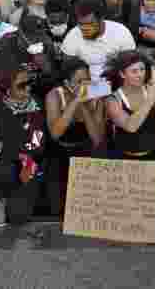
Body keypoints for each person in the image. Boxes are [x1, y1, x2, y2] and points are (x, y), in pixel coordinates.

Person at [0, 66, 47, 228]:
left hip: (32, 160)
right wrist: (20, 154)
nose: (28, 87)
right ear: (7, 88)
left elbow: (39, 141)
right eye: (21, 85)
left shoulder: (37, 103)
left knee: (20, 216)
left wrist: (28, 159)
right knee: (2, 165)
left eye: (30, 82)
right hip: (7, 161)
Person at [44, 60, 106, 214]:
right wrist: (75, 101)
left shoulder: (97, 97)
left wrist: (84, 106)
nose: (85, 85)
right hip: (59, 150)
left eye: (88, 80)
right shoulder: (54, 95)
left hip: (86, 148)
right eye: (79, 81)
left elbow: (97, 138)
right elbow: (55, 133)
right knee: (58, 203)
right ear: (67, 82)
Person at [61, 0, 137, 97]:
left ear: (101, 19)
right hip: (86, 89)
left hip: (118, 85)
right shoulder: (72, 36)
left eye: (89, 24)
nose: (84, 28)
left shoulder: (121, 32)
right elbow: (68, 72)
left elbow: (131, 67)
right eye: (81, 24)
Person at [104, 51, 155, 160]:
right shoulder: (112, 100)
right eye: (134, 71)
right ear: (122, 74)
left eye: (142, 69)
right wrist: (151, 97)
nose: (140, 74)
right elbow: (131, 126)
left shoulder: (150, 90)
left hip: (152, 154)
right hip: (122, 157)